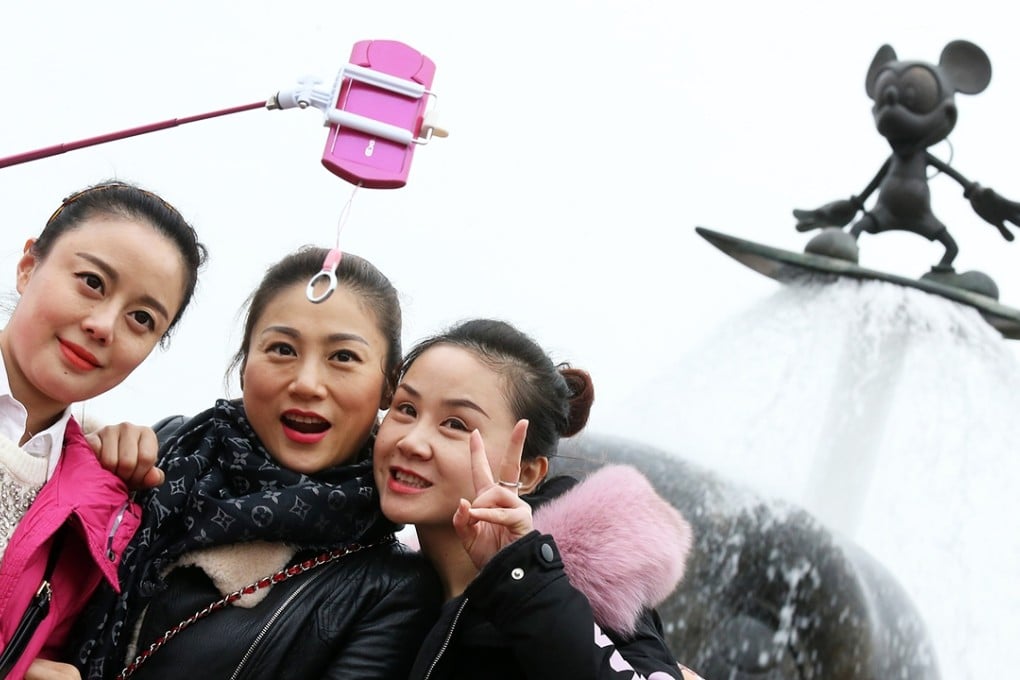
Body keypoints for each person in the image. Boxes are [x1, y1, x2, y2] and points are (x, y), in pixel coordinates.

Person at [71, 246, 441, 680]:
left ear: (389, 385)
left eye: (343, 357)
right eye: (282, 349)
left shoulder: (392, 588)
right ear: (245, 363)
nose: (307, 384)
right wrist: (87, 475)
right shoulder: (166, 451)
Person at [372, 318, 702, 679]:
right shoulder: (381, 584)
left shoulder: (585, 592)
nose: (412, 442)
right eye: (407, 409)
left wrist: (525, 581)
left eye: (455, 424)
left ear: (527, 473)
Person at [0, 180, 207, 680]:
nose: (104, 325)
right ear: (28, 266)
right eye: (92, 282)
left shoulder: (100, 508)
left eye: (142, 318)